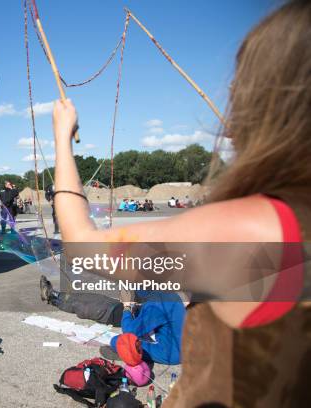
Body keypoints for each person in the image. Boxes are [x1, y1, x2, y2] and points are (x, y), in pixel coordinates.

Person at [50, 1, 311, 405]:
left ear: (270, 97)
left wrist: (62, 139)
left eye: (242, 78)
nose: (231, 93)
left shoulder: (251, 228)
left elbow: (81, 243)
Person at [99, 291, 185, 365]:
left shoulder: (155, 304)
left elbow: (129, 332)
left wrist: (126, 306)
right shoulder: (170, 294)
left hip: (173, 353)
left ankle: (130, 355)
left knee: (117, 340)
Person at [39, 275, 123, 326]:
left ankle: (52, 299)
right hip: (116, 304)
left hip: (111, 314)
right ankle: (53, 293)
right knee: (82, 296)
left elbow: (129, 330)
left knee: (78, 305)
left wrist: (128, 310)